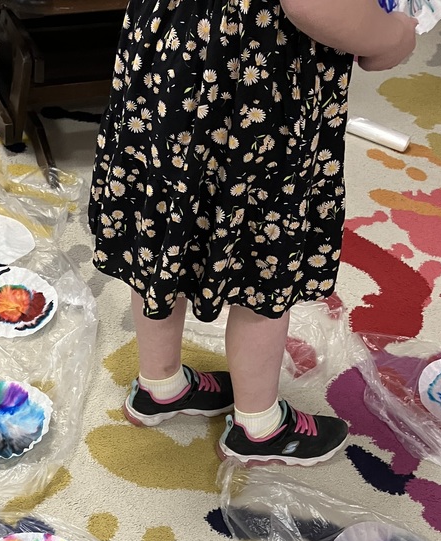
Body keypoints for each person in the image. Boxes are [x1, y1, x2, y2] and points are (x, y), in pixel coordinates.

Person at [89, 0, 417, 466]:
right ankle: (259, 425)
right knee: (262, 246)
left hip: (170, 46)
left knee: (163, 222)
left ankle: (160, 385)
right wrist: (391, 36)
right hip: (256, 69)